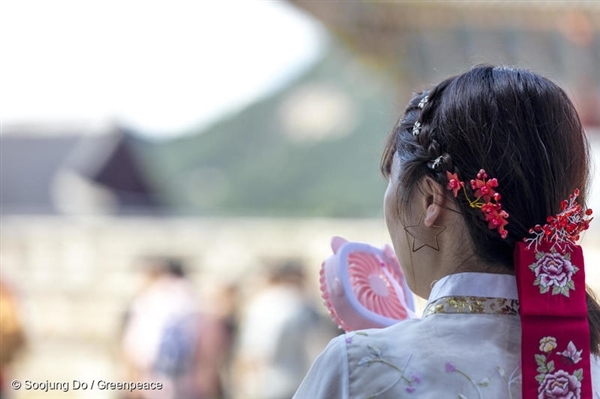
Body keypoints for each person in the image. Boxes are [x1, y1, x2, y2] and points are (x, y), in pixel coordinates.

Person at [293, 65, 600, 398]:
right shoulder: (589, 371)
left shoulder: (355, 365)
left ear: (429, 199)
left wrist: (381, 355)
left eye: (392, 182)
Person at [121, 257, 228, 399]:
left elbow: (135, 351)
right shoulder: (196, 301)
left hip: (154, 383)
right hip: (190, 385)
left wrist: (132, 385)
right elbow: (210, 351)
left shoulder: (149, 301)